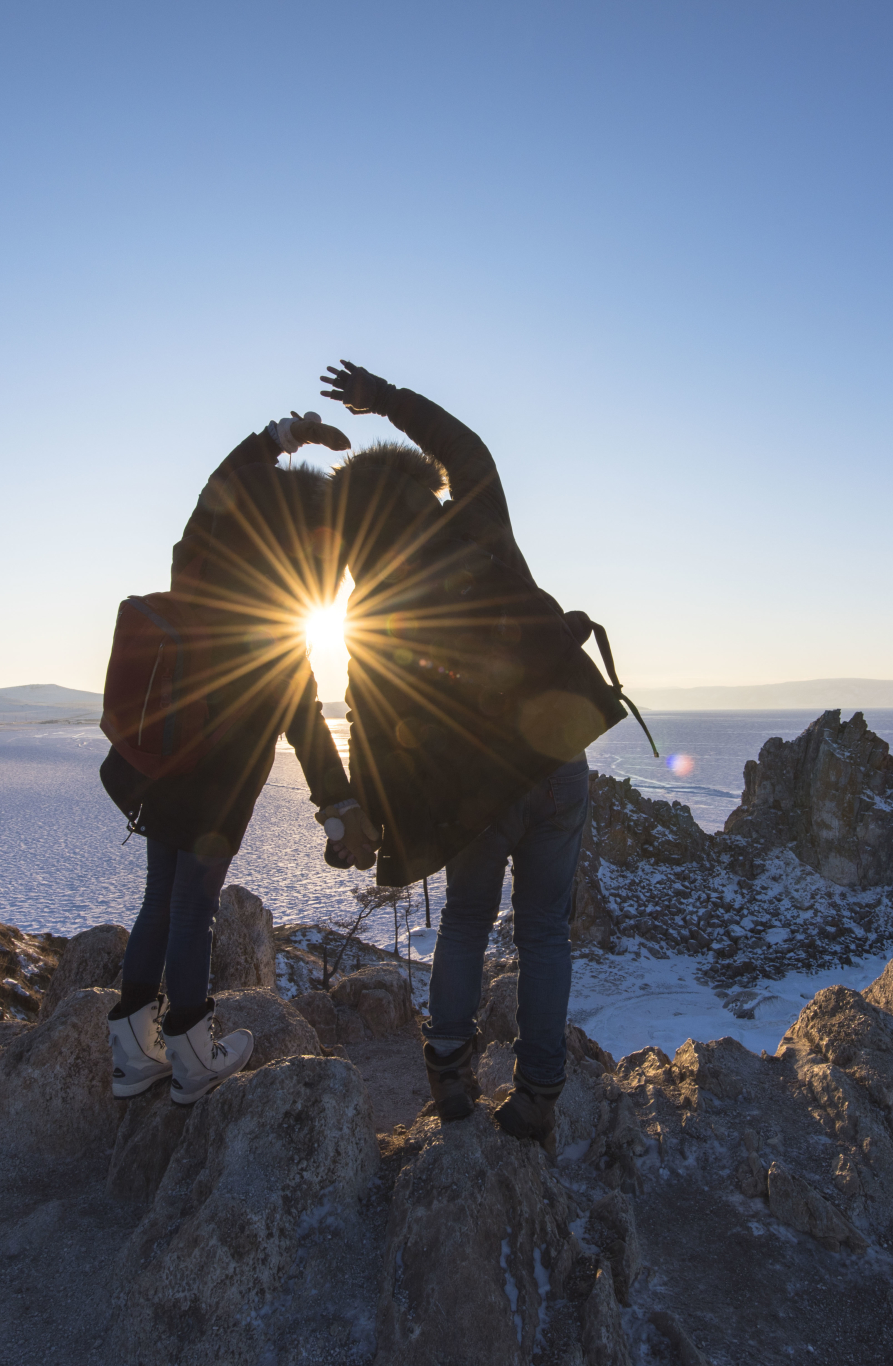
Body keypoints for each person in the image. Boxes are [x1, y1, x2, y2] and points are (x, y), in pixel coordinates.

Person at [320, 360, 630, 1147]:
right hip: (556, 765)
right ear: (420, 489)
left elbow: (369, 717)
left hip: (475, 792)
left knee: (463, 922)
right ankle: (537, 1098)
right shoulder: (475, 524)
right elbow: (471, 447)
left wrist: (370, 815)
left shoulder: (369, 603)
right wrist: (385, 401)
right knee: (545, 935)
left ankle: (451, 1080)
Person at [98, 410, 379, 1106]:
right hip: (214, 791)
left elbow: (220, 482)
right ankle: (193, 1056)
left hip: (158, 765)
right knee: (193, 909)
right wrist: (339, 807)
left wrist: (287, 435)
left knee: (160, 900)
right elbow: (307, 725)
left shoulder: (196, 563)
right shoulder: (277, 625)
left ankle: (134, 1053)